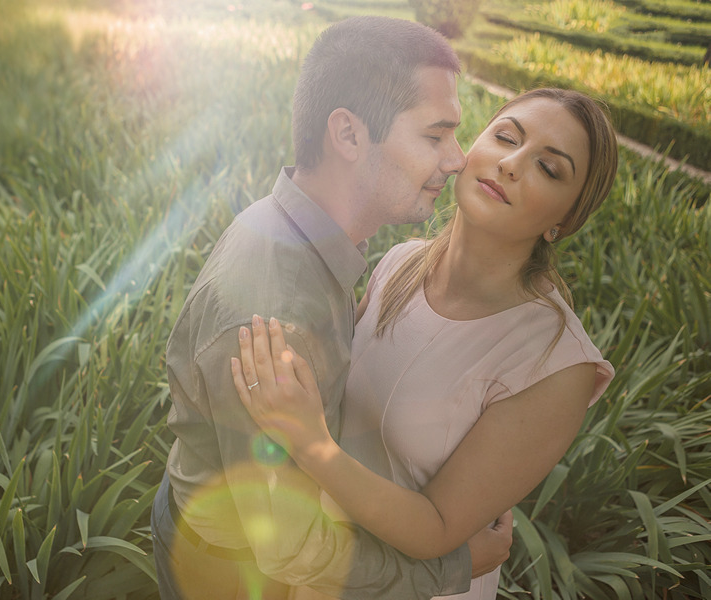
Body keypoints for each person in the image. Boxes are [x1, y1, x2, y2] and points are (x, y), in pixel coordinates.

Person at [151, 15, 514, 600]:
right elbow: (287, 546)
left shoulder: (309, 233)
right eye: (434, 135)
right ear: (347, 135)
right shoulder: (276, 319)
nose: (457, 159)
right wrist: (451, 565)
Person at [231, 87, 618, 599]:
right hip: (331, 568)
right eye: (505, 137)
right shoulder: (399, 264)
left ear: (564, 221)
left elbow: (436, 527)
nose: (510, 164)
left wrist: (309, 442)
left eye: (549, 169)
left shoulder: (555, 363)